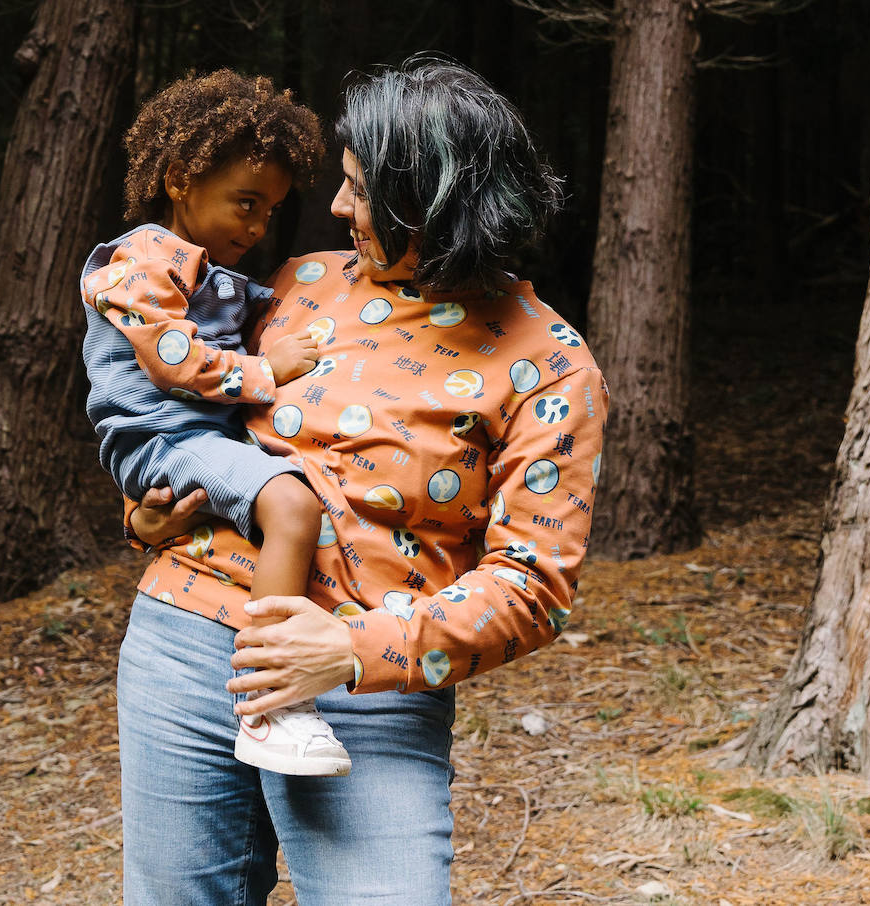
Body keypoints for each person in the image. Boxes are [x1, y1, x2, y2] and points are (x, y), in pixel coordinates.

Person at [117, 55, 609, 906]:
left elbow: (534, 588)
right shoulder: (297, 284)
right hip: (184, 647)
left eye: (362, 190)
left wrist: (348, 651)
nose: (338, 207)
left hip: (366, 689)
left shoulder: (548, 363)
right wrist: (147, 516)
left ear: (438, 203)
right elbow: (193, 415)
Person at [80, 69, 353, 776]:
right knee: (291, 505)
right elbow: (175, 361)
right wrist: (271, 370)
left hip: (195, 439)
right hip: (163, 440)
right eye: (246, 203)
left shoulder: (208, 273)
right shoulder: (136, 264)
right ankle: (271, 704)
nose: (259, 226)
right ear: (178, 178)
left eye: (271, 211)